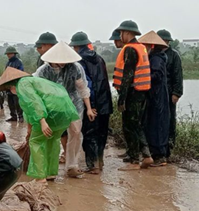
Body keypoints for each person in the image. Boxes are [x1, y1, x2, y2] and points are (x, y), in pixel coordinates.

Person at [0, 68, 79, 182]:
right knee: (53, 140)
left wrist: (42, 121)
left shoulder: (22, 84)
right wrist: (30, 129)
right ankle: (51, 173)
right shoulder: (36, 81)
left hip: (50, 114)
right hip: (65, 113)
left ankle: (40, 177)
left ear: (11, 86)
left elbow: (34, 102)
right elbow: (29, 111)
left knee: (36, 142)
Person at [34, 42, 95, 178]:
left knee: (76, 132)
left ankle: (72, 165)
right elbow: (36, 91)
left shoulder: (75, 68)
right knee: (52, 135)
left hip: (74, 104)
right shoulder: (43, 71)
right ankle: (49, 168)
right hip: (53, 106)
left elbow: (82, 88)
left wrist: (89, 108)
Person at [113, 20, 153, 170]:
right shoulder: (141, 48)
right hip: (141, 92)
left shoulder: (130, 49)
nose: (120, 36)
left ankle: (134, 161)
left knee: (130, 126)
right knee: (136, 124)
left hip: (132, 93)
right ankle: (146, 155)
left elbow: (128, 76)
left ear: (127, 33)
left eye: (121, 33)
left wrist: (121, 99)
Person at [71, 31, 112, 174]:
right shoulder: (99, 58)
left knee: (89, 134)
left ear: (76, 47)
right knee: (102, 133)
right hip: (105, 102)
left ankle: (93, 165)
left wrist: (90, 106)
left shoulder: (79, 61)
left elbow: (86, 84)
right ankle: (99, 162)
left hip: (93, 102)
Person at [139, 31, 171, 166]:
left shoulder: (156, 58)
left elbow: (156, 76)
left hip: (157, 96)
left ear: (151, 46)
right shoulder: (156, 57)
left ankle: (159, 156)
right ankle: (157, 154)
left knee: (157, 125)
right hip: (156, 95)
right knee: (155, 124)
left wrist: (142, 79)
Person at [157, 29, 184, 155]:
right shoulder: (153, 54)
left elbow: (178, 76)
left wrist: (176, 93)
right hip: (157, 93)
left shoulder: (174, 55)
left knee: (170, 119)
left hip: (169, 92)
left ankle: (170, 145)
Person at [4, 46, 25, 122]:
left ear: (14, 53)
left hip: (16, 84)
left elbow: (20, 73)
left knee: (17, 102)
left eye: (10, 54)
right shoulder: (8, 63)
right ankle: (13, 116)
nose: (8, 55)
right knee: (10, 102)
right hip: (9, 84)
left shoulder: (19, 62)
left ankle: (20, 116)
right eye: (7, 54)